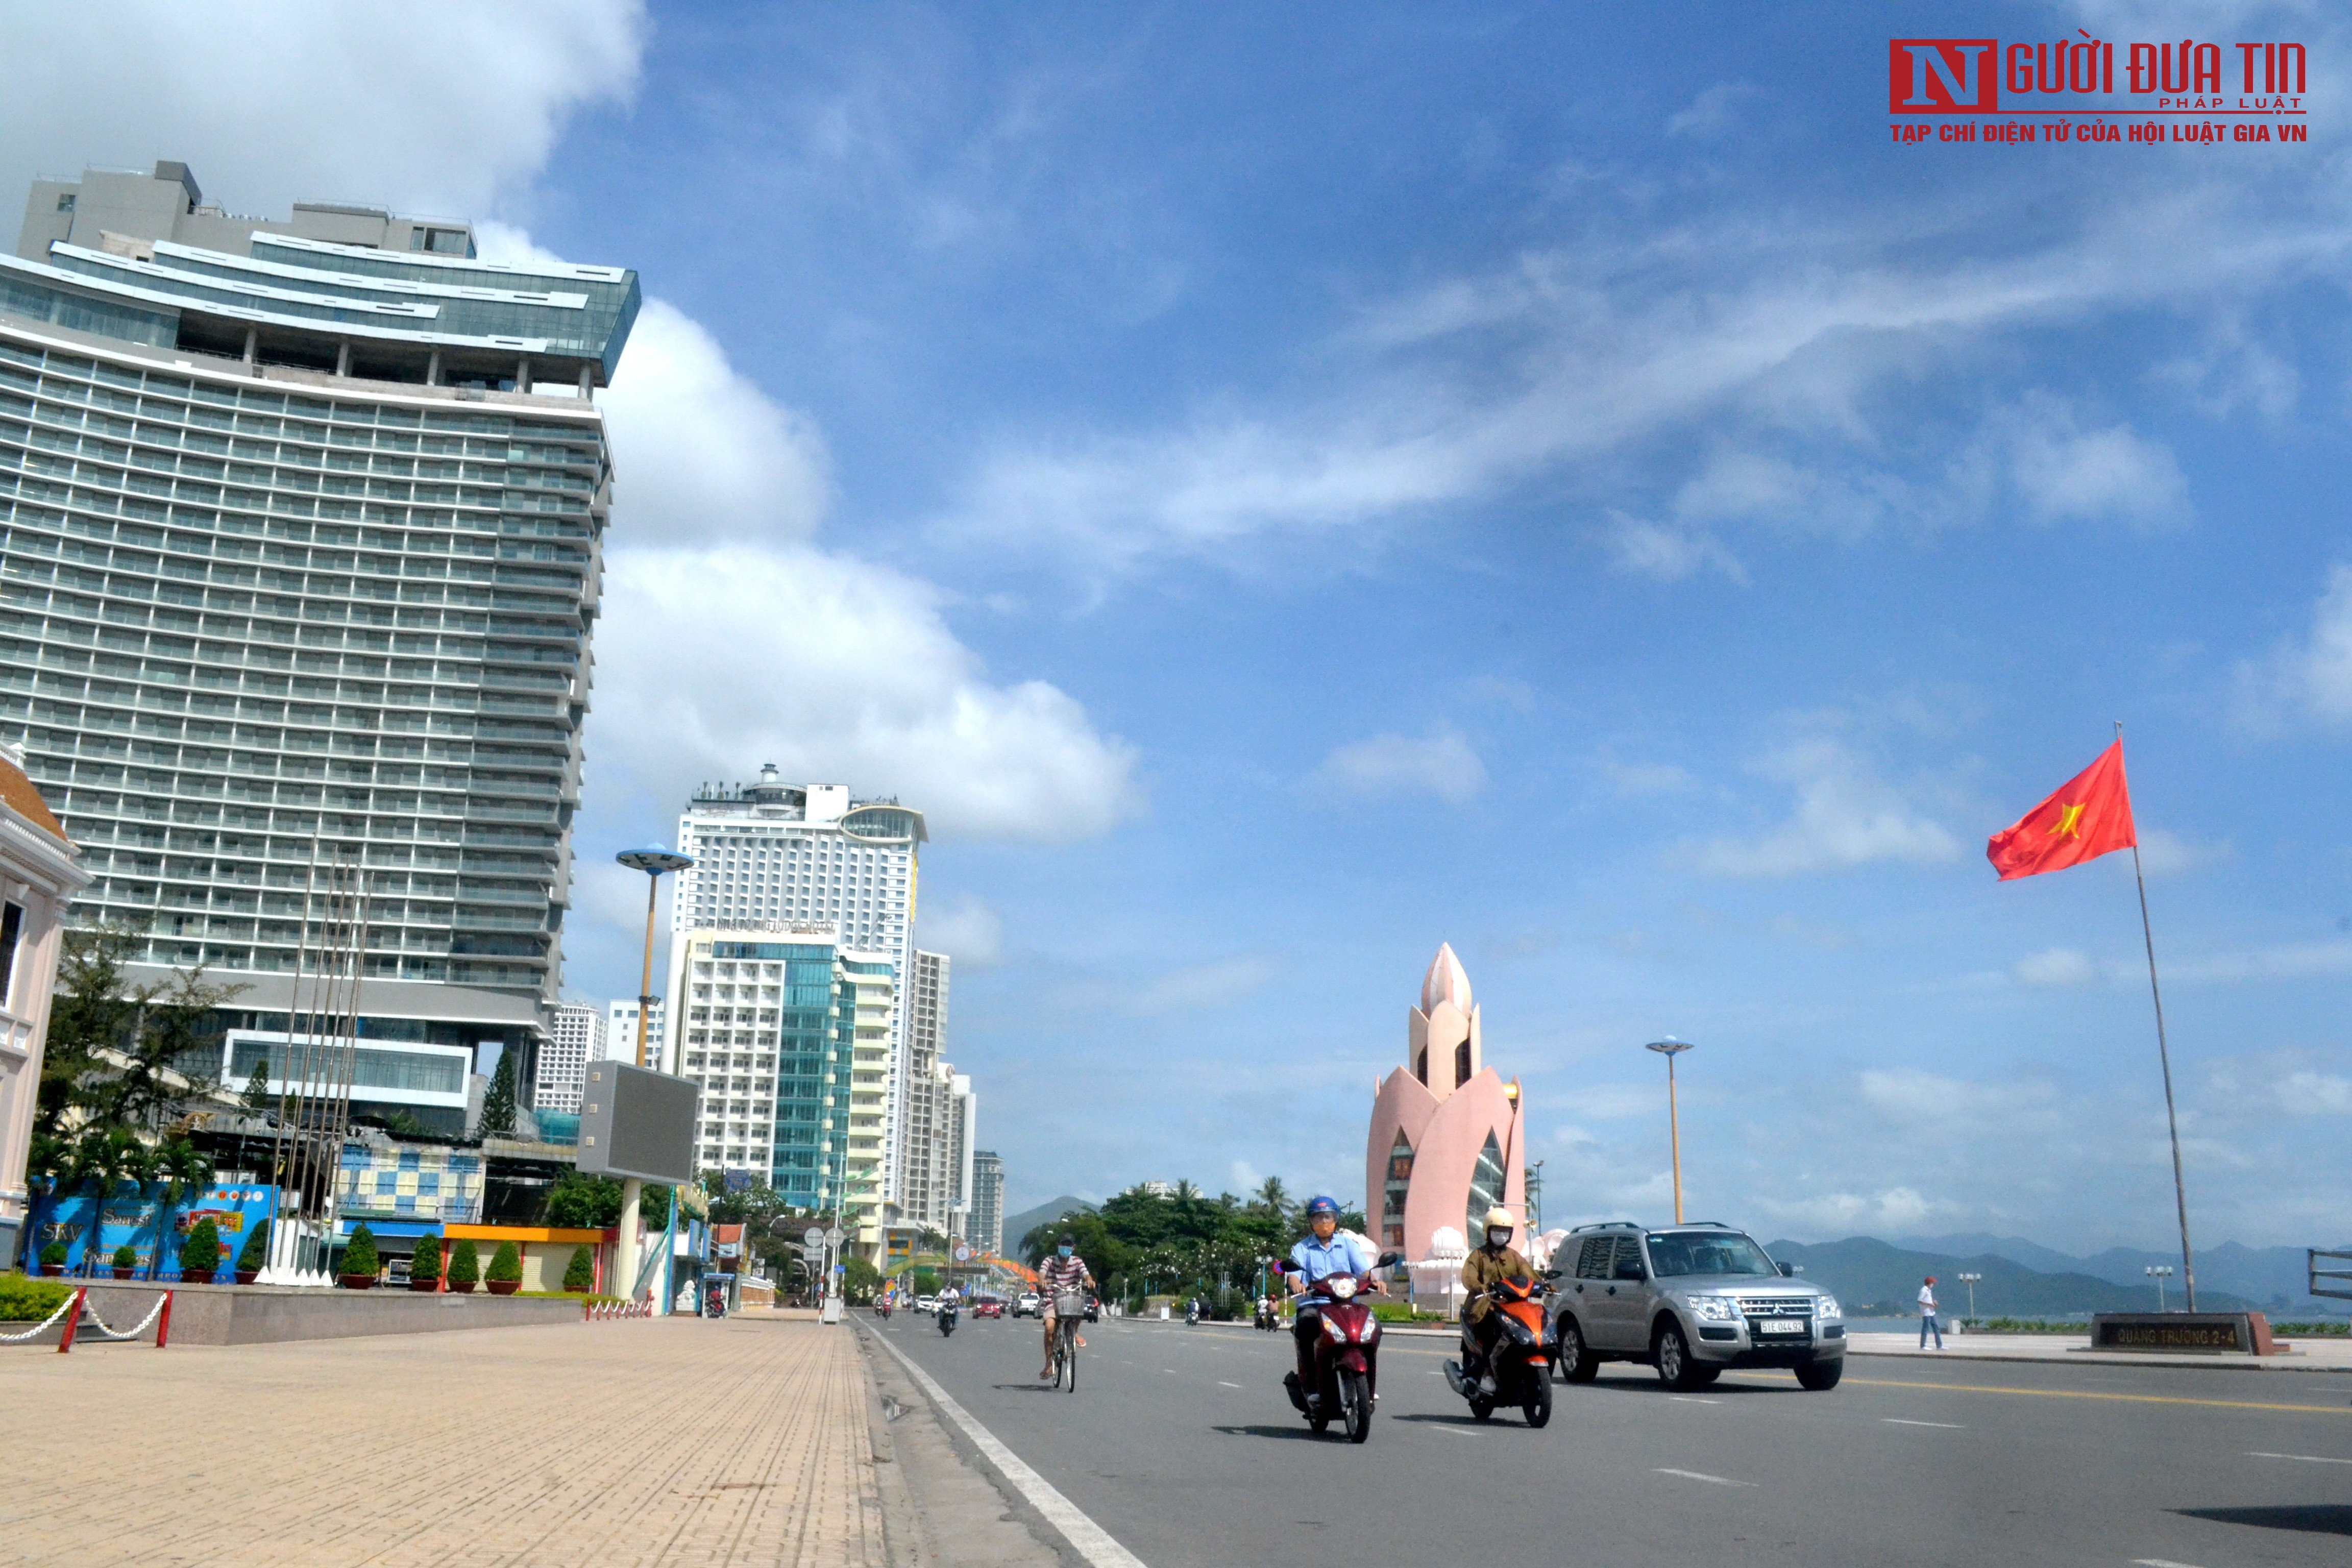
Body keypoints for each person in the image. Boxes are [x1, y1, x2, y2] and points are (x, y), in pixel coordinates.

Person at [1285, 1195, 1381, 1405]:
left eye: (1328, 1217)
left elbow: (1364, 1273)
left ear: (1336, 1219)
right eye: (1318, 1218)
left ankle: (1369, 1383)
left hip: (1346, 1305)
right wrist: (1297, 1284)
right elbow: (1293, 1274)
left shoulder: (1348, 1245)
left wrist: (1375, 1281)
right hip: (1315, 1305)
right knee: (1306, 1325)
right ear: (1311, 1222)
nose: (1324, 1222)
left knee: (1374, 1327)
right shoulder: (1302, 1248)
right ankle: (1310, 1384)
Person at [1459, 1205, 1532, 1392]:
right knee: (1492, 1330)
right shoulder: (1478, 1256)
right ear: (1488, 1231)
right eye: (1497, 1231)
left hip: (1512, 1306)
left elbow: (1528, 1274)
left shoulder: (1514, 1257)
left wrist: (1544, 1285)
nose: (1502, 1235)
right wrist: (1479, 1287)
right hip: (1485, 1305)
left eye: (1505, 1231)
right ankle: (1487, 1373)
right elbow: (1469, 1275)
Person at [1037, 1234, 1095, 1379]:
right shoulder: (1049, 1261)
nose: (1066, 1247)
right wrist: (1042, 1281)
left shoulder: (1077, 1262)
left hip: (1071, 1299)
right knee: (1050, 1327)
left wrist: (1089, 1281)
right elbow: (1042, 1273)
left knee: (1079, 1310)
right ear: (1058, 1245)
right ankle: (1049, 1365)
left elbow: (1086, 1274)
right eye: (1064, 1244)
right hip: (1053, 1299)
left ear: (1073, 1248)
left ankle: (1074, 1333)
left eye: (1069, 1245)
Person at [1918, 1276, 1942, 1350]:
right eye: (1932, 1283)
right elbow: (1920, 1301)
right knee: (1925, 1329)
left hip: (1932, 1312)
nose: (1933, 1285)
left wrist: (1933, 1303)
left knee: (1937, 1328)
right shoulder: (1924, 1290)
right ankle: (1923, 1345)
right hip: (1926, 1313)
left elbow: (1927, 1300)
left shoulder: (1929, 1291)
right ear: (1929, 1283)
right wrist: (1930, 1304)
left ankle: (1939, 1345)